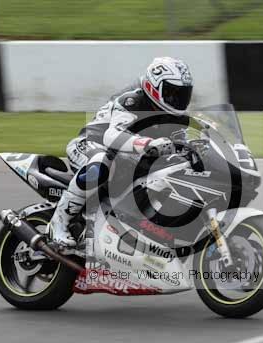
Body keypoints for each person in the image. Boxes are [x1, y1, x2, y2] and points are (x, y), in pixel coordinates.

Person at [48, 56, 194, 247]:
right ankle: (59, 223)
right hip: (91, 144)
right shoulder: (133, 101)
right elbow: (112, 136)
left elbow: (181, 144)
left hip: (127, 157)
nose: (178, 99)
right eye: (172, 92)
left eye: (183, 93)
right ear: (154, 87)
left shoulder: (177, 117)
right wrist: (148, 144)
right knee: (100, 163)